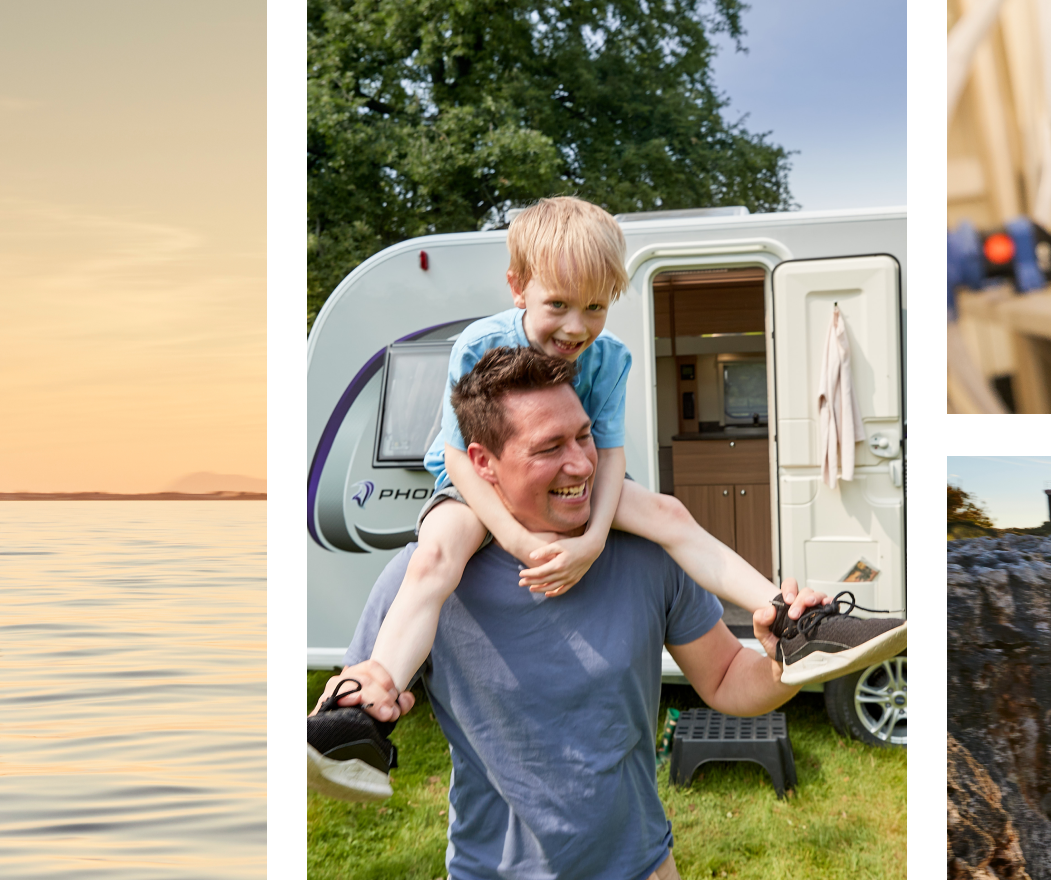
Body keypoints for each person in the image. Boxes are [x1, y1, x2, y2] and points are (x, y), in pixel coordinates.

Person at [314, 196, 908, 736]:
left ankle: (797, 625)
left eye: (595, 306)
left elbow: (612, 452)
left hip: (585, 477)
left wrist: (594, 540)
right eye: (559, 305)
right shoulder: (479, 343)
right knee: (438, 555)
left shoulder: (608, 357)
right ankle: (371, 696)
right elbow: (454, 456)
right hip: (472, 483)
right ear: (518, 287)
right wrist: (518, 539)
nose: (577, 327)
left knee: (671, 514)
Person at [305, 346, 903, 880]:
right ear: (482, 463)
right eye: (549, 448)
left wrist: (778, 666)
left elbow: (723, 680)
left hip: (640, 862)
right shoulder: (426, 573)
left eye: (584, 437)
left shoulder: (645, 556)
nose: (584, 465)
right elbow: (356, 704)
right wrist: (351, 704)